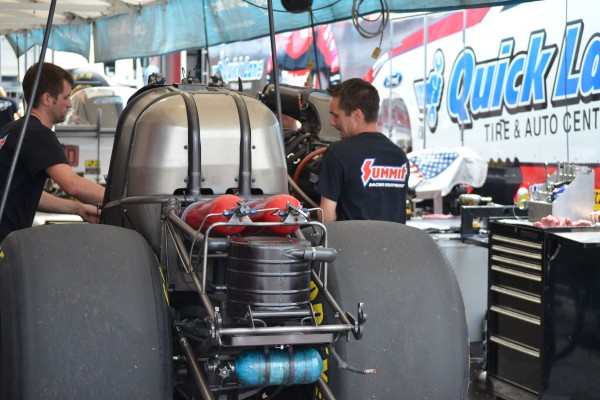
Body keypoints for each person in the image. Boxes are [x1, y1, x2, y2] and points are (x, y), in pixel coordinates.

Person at [0, 62, 105, 243]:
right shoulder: (38, 133)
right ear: (47, 99)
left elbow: (29, 196)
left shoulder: (13, 129)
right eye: (66, 97)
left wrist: (78, 208)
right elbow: (73, 185)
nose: (69, 104)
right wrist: (119, 198)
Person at [317, 78, 409, 223]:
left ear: (356, 115)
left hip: (352, 238)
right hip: (395, 238)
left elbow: (326, 216)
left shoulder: (338, 153)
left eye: (336, 115)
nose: (332, 122)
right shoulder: (400, 156)